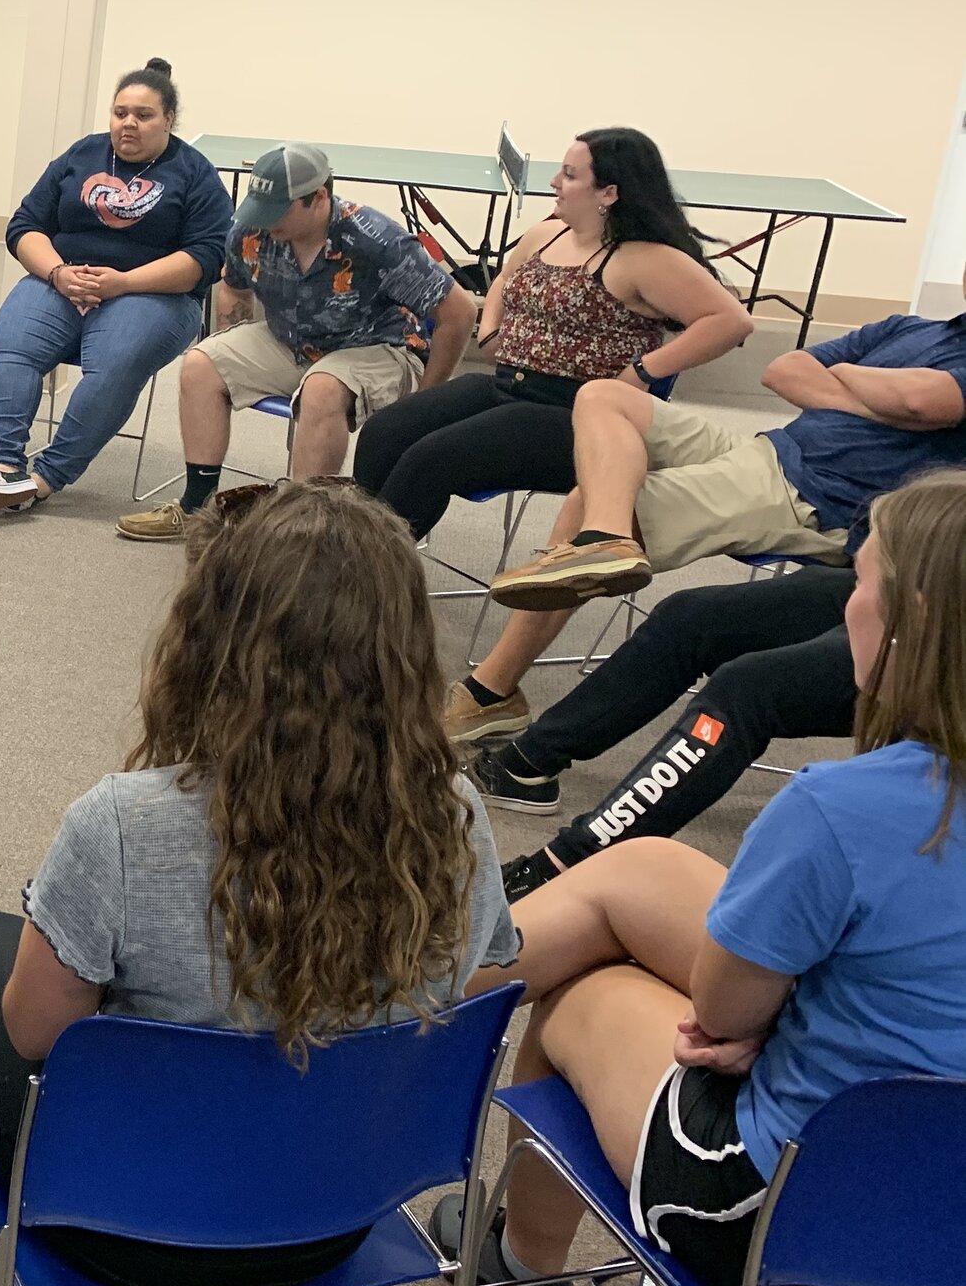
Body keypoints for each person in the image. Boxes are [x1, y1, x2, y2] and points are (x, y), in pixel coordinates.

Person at [0, 478, 517, 1286]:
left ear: (211, 633)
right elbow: (480, 984)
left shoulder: (121, 824)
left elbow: (34, 1034)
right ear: (406, 647)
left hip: (128, 1228)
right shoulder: (457, 811)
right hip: (335, 1218)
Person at [446, 472, 966, 1286]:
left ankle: (521, 1261)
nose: (846, 608)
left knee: (585, 986)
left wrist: (765, 1031)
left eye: (861, 584)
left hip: (792, 1244)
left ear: (913, 613)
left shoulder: (839, 811)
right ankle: (399, 1001)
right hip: (948, 1260)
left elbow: (722, 1018)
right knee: (639, 869)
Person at [462, 267, 966, 728]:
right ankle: (609, 540)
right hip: (767, 449)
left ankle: (491, 693)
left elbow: (923, 400)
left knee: (584, 505)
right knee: (603, 395)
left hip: (808, 496)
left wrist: (847, 379)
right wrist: (880, 401)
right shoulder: (906, 328)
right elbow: (784, 370)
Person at [351, 128, 750, 616]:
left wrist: (646, 371)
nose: (555, 181)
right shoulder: (549, 232)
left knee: (430, 460)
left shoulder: (644, 259)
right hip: (507, 388)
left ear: (609, 193)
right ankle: (356, 560)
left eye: (570, 173)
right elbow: (502, 278)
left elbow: (731, 321)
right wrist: (491, 329)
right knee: (384, 432)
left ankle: (362, 589)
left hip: (573, 414)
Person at [118, 143, 476, 540]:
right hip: (291, 339)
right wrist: (229, 343)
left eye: (278, 212)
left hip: (378, 346)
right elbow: (235, 290)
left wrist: (425, 403)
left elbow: (459, 314)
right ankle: (197, 506)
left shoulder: (377, 240)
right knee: (202, 364)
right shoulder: (251, 230)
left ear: (319, 197)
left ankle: (301, 535)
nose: (265, 223)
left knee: (322, 389)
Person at [470, 569, 858, 902]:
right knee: (690, 617)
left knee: (746, 691)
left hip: (916, 640)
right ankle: (525, 765)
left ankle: (563, 867)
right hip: (897, 578)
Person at [0, 61, 234, 516]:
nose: (128, 123)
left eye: (143, 115)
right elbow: (25, 226)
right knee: (14, 347)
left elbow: (206, 259)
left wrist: (123, 283)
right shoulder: (81, 155)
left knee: (113, 366)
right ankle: (2, 466)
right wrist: (56, 274)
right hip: (63, 278)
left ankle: (44, 478)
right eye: (120, 112)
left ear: (169, 119)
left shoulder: (194, 172)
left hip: (152, 294)